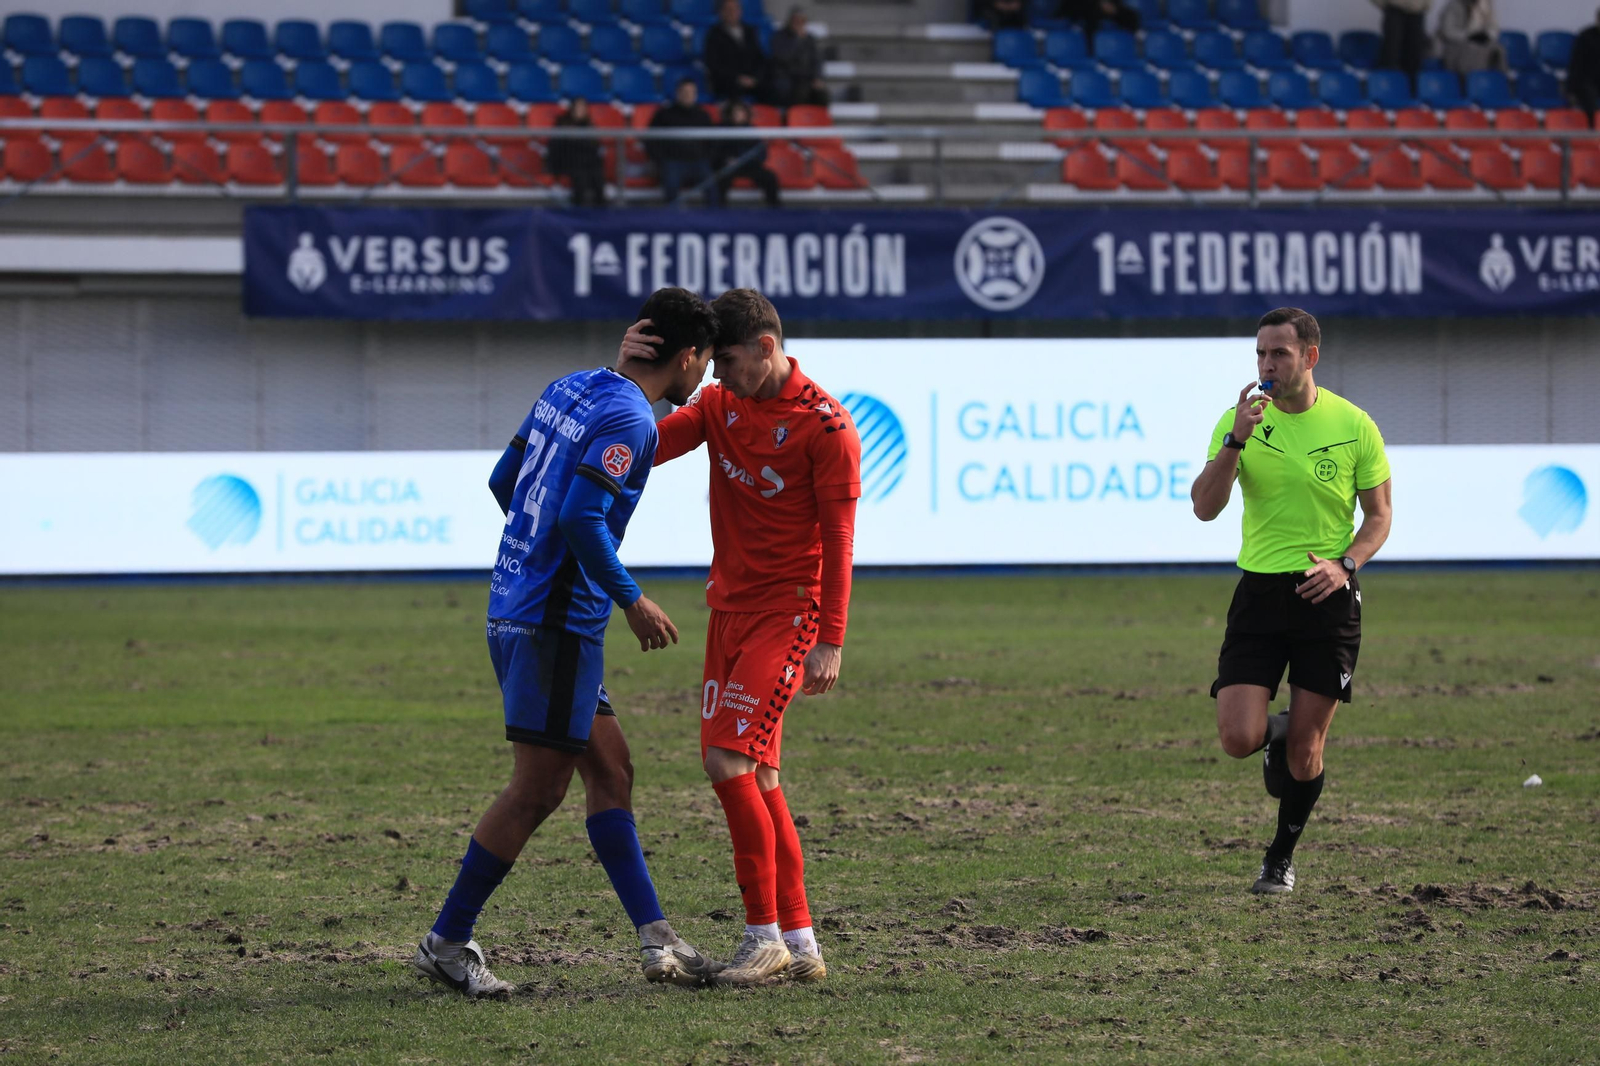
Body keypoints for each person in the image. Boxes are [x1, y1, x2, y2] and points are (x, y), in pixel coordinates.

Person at [411, 288, 721, 996]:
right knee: (537, 789)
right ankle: (446, 941)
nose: (701, 378)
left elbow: (505, 480)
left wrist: (536, 557)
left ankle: (658, 941)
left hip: (519, 608)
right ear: (686, 356)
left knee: (610, 770)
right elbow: (583, 518)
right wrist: (631, 600)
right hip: (555, 626)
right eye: (701, 363)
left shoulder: (570, 387)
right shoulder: (632, 419)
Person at [621, 289, 861, 985]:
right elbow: (650, 447)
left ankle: (763, 938)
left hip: (789, 615)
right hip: (727, 612)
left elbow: (841, 543)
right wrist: (624, 387)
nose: (716, 377)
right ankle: (801, 943)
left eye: (726, 361)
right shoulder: (722, 405)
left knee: (727, 761)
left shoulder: (826, 427)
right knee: (759, 776)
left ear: (765, 347)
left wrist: (831, 640)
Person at [1189, 308, 1394, 896]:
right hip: (1258, 593)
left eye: (1278, 353)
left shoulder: (1354, 426)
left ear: (1309, 357)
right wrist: (1235, 442)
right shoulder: (1240, 422)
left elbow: (1379, 519)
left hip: (1324, 596)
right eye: (1259, 353)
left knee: (1306, 754)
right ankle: (1272, 730)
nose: (1266, 365)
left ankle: (1279, 857)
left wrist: (1345, 565)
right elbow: (1204, 507)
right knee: (1236, 738)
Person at [649, 78, 721, 207]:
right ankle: (673, 221)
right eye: (685, 92)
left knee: (712, 187)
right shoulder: (664, 114)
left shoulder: (703, 115)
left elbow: (713, 141)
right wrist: (660, 161)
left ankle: (713, 221)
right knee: (671, 184)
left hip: (699, 161)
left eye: (692, 92)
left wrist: (709, 159)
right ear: (678, 93)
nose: (688, 95)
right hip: (673, 161)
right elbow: (651, 140)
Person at [714, 100, 781, 208]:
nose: (737, 115)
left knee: (769, 177)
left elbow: (762, 154)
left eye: (740, 112)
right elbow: (716, 151)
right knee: (721, 178)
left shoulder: (751, 130)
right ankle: (720, 212)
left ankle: (776, 211)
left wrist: (746, 160)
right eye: (734, 112)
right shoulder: (721, 129)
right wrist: (726, 159)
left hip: (749, 166)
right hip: (728, 166)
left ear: (745, 114)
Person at [704, 0, 769, 102]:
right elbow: (713, 64)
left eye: (735, 9)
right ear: (721, 12)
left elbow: (759, 58)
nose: (732, 12)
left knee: (771, 86)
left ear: (740, 12)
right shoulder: (714, 34)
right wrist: (737, 79)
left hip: (751, 79)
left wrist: (755, 78)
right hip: (728, 81)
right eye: (728, 10)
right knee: (733, 91)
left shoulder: (750, 31)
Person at [549, 97, 606, 208]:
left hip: (588, 163)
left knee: (598, 177)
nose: (581, 110)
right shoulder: (562, 123)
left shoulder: (589, 125)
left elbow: (595, 145)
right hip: (569, 162)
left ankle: (602, 213)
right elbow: (558, 146)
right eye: (578, 107)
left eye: (583, 107)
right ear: (572, 108)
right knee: (581, 179)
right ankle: (579, 215)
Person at [768, 7, 829, 107]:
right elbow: (783, 58)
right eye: (796, 20)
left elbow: (817, 60)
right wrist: (796, 40)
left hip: (807, 79)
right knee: (801, 92)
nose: (799, 23)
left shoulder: (810, 39)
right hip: (788, 79)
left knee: (822, 94)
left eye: (802, 21)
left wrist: (817, 78)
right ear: (790, 21)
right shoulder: (779, 37)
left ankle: (819, 121)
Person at [1371, 0, 1432, 91]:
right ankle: (1387, 90)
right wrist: (1388, 5)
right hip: (1395, 10)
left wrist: (1425, 5)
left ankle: (1411, 92)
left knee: (1414, 55)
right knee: (1391, 53)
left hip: (1416, 11)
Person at [1435, 0, 1505, 75]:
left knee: (1497, 48)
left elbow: (1493, 27)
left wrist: (1487, 35)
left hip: (1478, 43)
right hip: (1456, 46)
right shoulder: (1454, 5)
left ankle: (1501, 79)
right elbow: (1448, 32)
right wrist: (1469, 36)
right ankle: (1474, 80)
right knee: (1475, 49)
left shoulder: (1485, 5)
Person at [1565, 7, 1600, 124]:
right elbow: (1576, 64)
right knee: (1589, 95)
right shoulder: (1586, 37)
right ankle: (1592, 129)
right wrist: (1570, 89)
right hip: (1587, 80)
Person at [1059, 0, 1139, 43]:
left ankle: (1130, 46)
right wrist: (1100, 4)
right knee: (1092, 15)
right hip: (1081, 8)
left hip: (1104, 9)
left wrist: (1113, 7)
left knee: (1131, 15)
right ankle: (1091, 49)